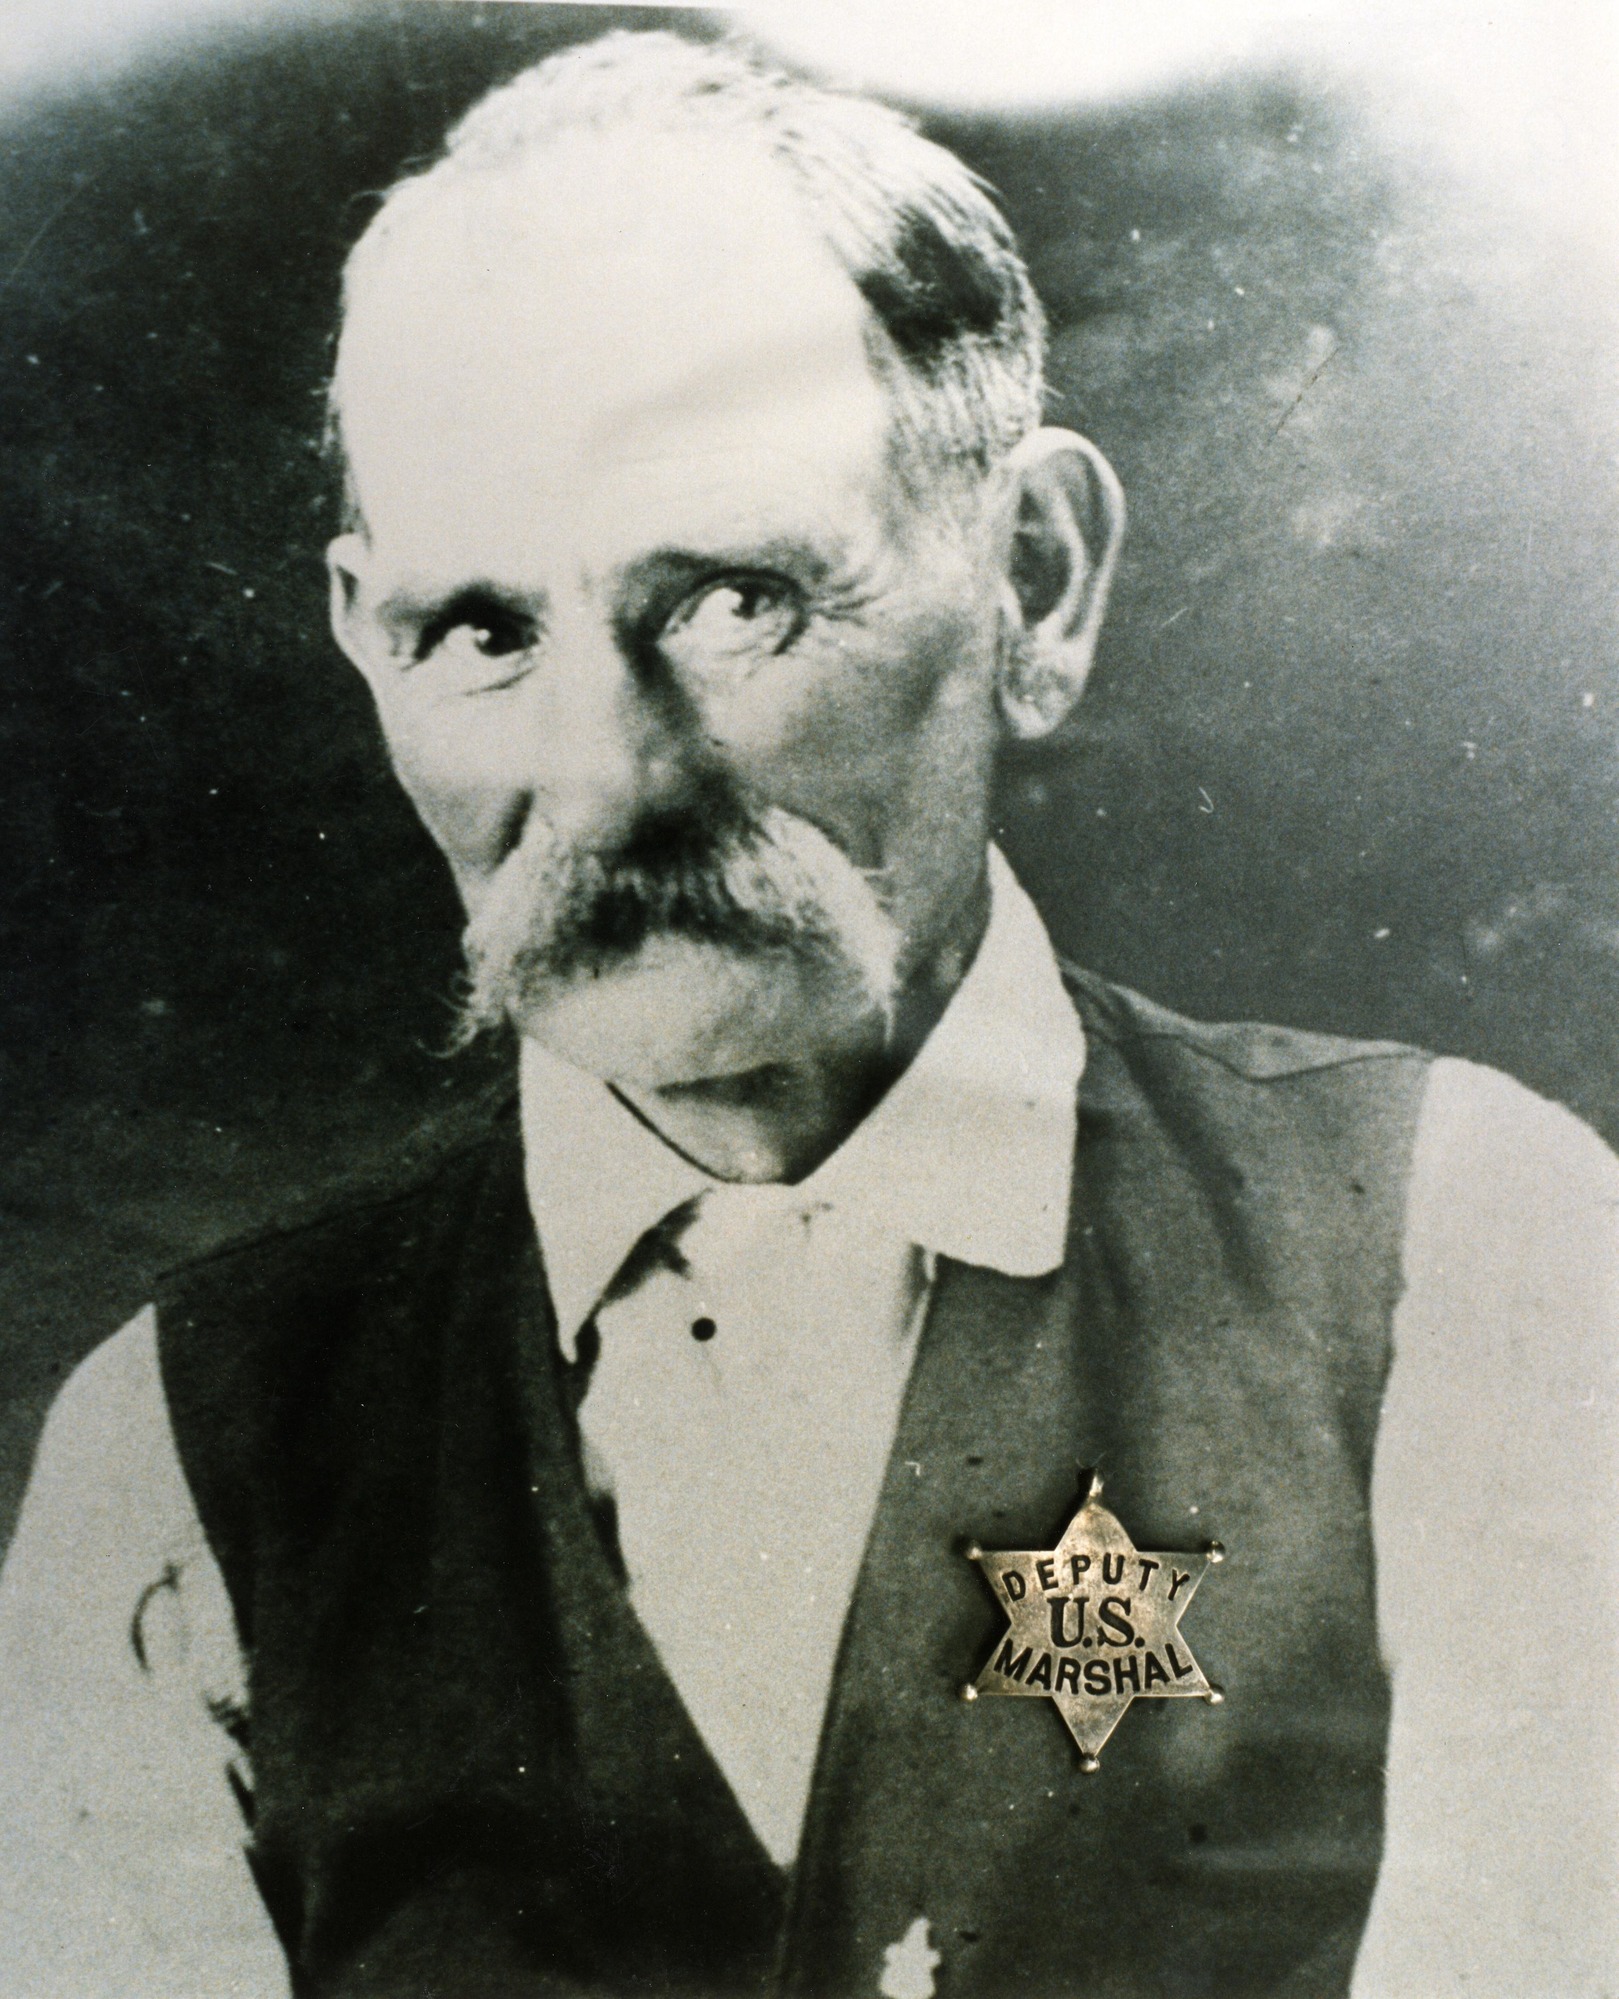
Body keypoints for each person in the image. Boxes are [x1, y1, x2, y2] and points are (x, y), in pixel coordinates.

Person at [1, 28, 1615, 1999]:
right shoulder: (172, 1459)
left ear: (1032, 575)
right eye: (484, 633)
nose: (606, 778)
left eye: (734, 599)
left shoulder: (1466, 1262)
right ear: (364, 634)